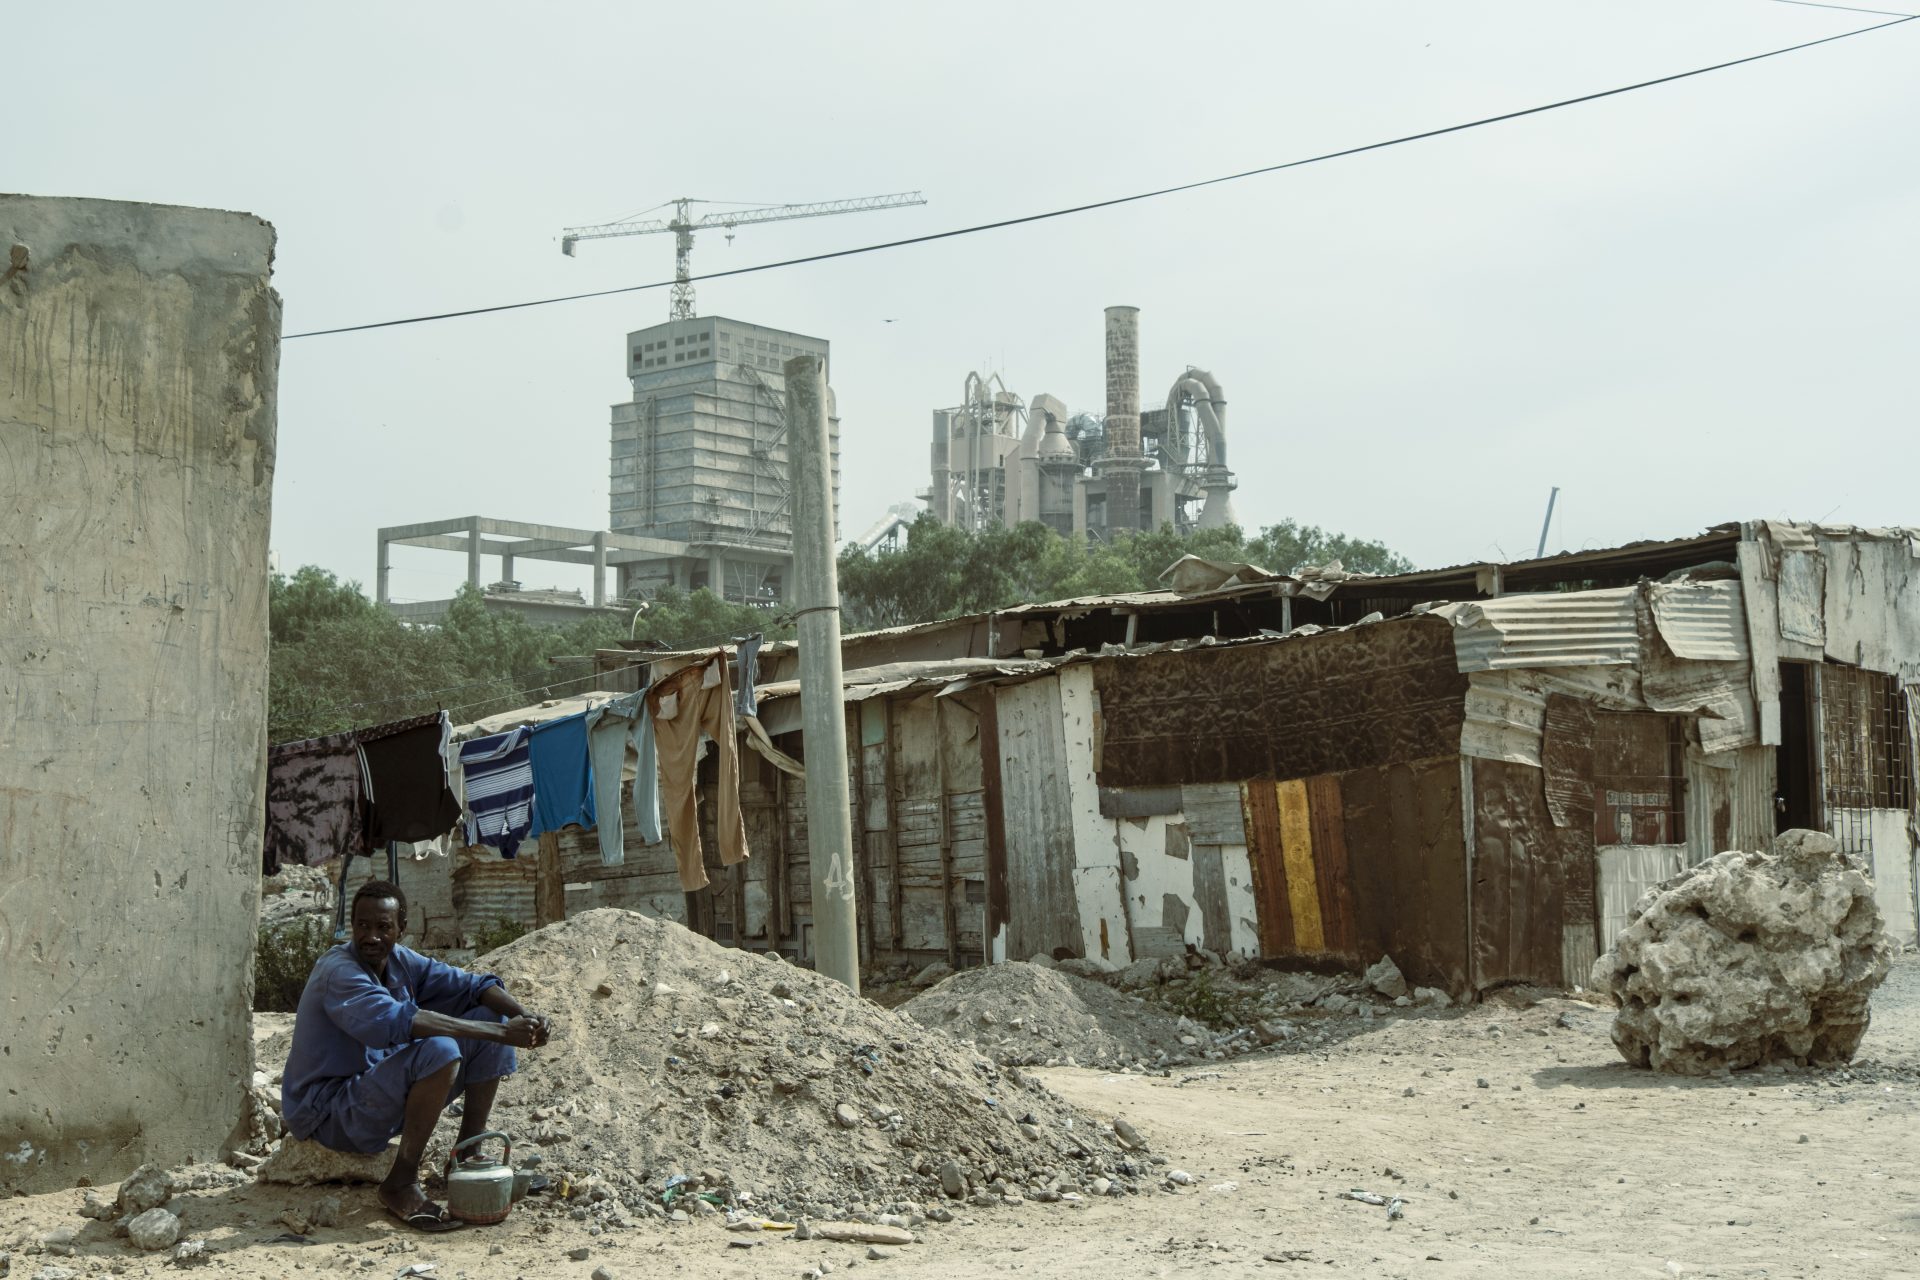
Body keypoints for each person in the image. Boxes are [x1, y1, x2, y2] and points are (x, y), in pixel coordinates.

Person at [281, 879, 551, 1231]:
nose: (371, 936)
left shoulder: (400, 962)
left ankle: (465, 1158)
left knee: (488, 1015)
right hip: (328, 1112)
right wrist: (504, 1034)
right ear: (352, 926)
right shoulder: (339, 971)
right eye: (362, 926)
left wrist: (522, 1017)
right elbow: (399, 1022)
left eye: (383, 927)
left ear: (401, 929)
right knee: (442, 1049)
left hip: (371, 1093)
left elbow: (474, 986)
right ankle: (400, 1183)